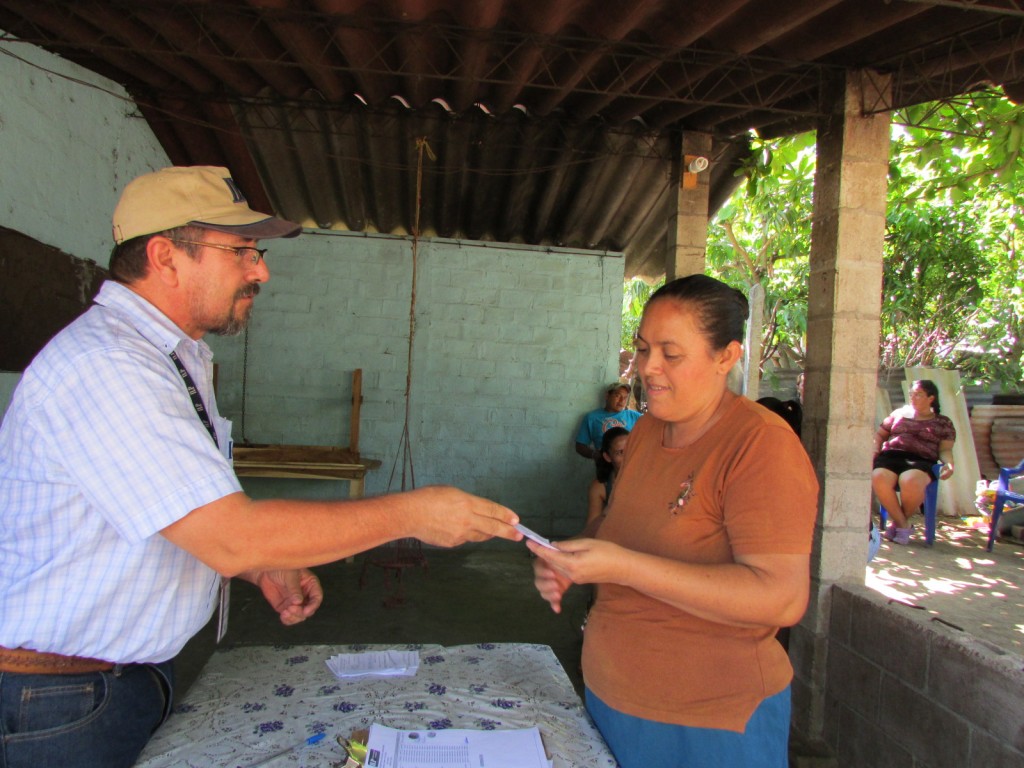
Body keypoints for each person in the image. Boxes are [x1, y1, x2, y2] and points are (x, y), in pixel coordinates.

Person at [0, 166, 522, 768]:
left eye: (257, 250)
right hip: (57, 703)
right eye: (241, 251)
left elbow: (176, 515)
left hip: (104, 685)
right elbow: (227, 535)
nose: (261, 270)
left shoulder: (169, 356)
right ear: (165, 256)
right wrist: (412, 512)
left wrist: (258, 567)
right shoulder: (112, 366)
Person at [528, 274, 818, 768]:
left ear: (726, 356)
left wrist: (623, 567)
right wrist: (572, 554)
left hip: (709, 721)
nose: (647, 368)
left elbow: (782, 597)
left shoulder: (759, 444)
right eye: (642, 349)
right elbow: (621, 530)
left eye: (671, 353)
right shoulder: (645, 433)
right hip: (613, 696)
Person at [871, 379, 955, 545]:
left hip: (921, 460)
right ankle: (903, 524)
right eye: (911, 395)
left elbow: (945, 449)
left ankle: (897, 523)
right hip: (891, 456)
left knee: (910, 480)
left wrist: (949, 464)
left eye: (918, 394)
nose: (913, 398)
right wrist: (875, 449)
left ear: (931, 398)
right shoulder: (899, 414)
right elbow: (880, 435)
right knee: (878, 475)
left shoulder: (942, 422)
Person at [573, 382, 641, 463]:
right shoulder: (592, 418)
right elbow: (580, 446)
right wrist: (595, 455)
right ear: (607, 396)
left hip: (630, 463)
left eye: (625, 397)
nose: (622, 401)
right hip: (606, 466)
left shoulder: (633, 416)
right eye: (618, 396)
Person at [586, 426, 629, 525]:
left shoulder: (649, 479)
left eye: (631, 448)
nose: (628, 455)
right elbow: (592, 526)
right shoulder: (601, 487)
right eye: (620, 452)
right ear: (607, 457)